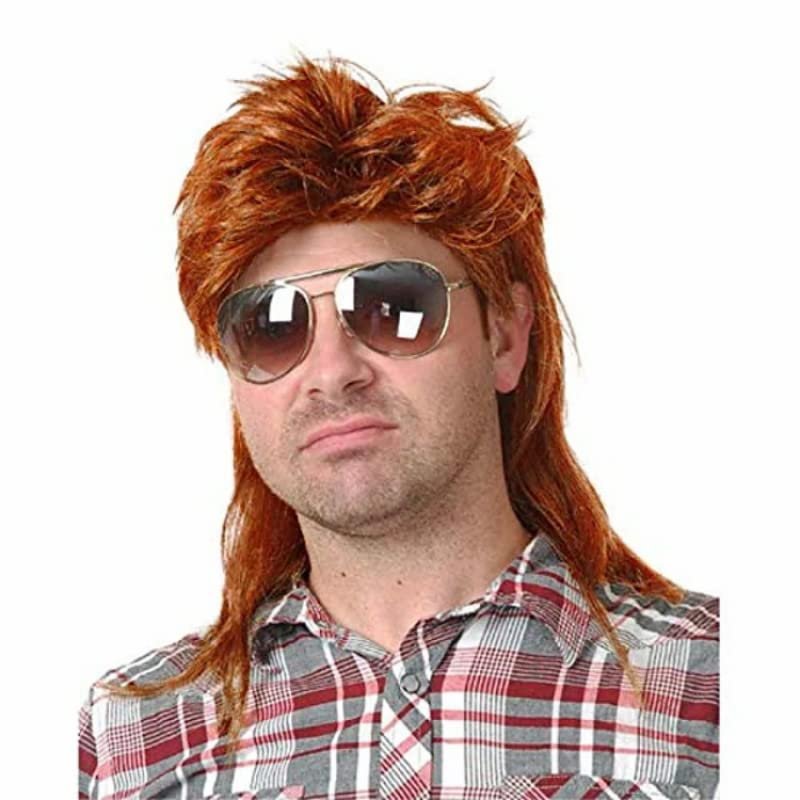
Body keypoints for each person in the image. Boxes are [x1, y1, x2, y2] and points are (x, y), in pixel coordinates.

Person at [78, 55, 720, 800]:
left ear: (505, 336)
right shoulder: (132, 741)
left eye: (394, 308)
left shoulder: (714, 688)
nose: (331, 371)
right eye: (272, 328)